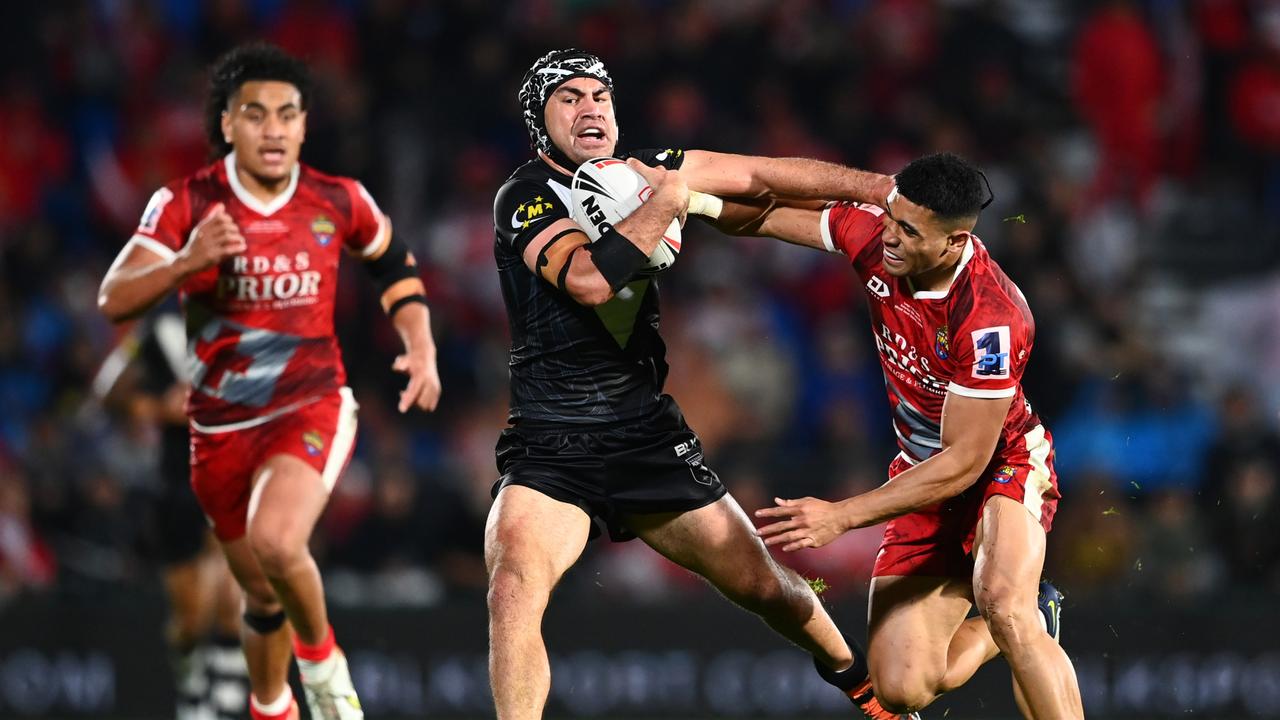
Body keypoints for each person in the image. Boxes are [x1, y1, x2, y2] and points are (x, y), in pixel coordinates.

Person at [487, 48, 913, 720]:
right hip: (552, 443)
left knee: (767, 588)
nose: (590, 106)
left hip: (646, 435)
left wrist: (883, 188)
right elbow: (591, 283)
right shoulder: (524, 195)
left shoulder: (649, 169)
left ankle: (861, 684)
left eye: (600, 95)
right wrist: (670, 205)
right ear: (541, 124)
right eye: (568, 98)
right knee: (513, 585)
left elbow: (762, 173)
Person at [662, 152, 1084, 718]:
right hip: (920, 472)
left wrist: (842, 515)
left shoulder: (991, 320)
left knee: (1003, 605)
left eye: (909, 230)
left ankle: (1019, 614)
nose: (890, 235)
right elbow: (765, 213)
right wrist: (688, 199)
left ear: (954, 244)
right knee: (900, 688)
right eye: (891, 216)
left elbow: (964, 461)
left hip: (1000, 466)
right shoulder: (879, 235)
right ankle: (1033, 610)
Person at [97, 43, 442, 720]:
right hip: (218, 432)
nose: (275, 128)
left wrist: (420, 342)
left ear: (305, 125)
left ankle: (323, 671)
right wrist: (185, 262)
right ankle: (271, 705)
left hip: (309, 404)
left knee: (279, 542)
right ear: (227, 124)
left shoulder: (335, 198)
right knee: (259, 595)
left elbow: (391, 258)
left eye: (288, 114)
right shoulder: (186, 203)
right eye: (256, 114)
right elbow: (115, 297)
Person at [94, 310, 249, 720]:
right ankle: (192, 687)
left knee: (233, 600)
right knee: (190, 613)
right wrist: (152, 406)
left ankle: (225, 708)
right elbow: (106, 389)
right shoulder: (158, 328)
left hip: (231, 473)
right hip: (177, 483)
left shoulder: (244, 316)